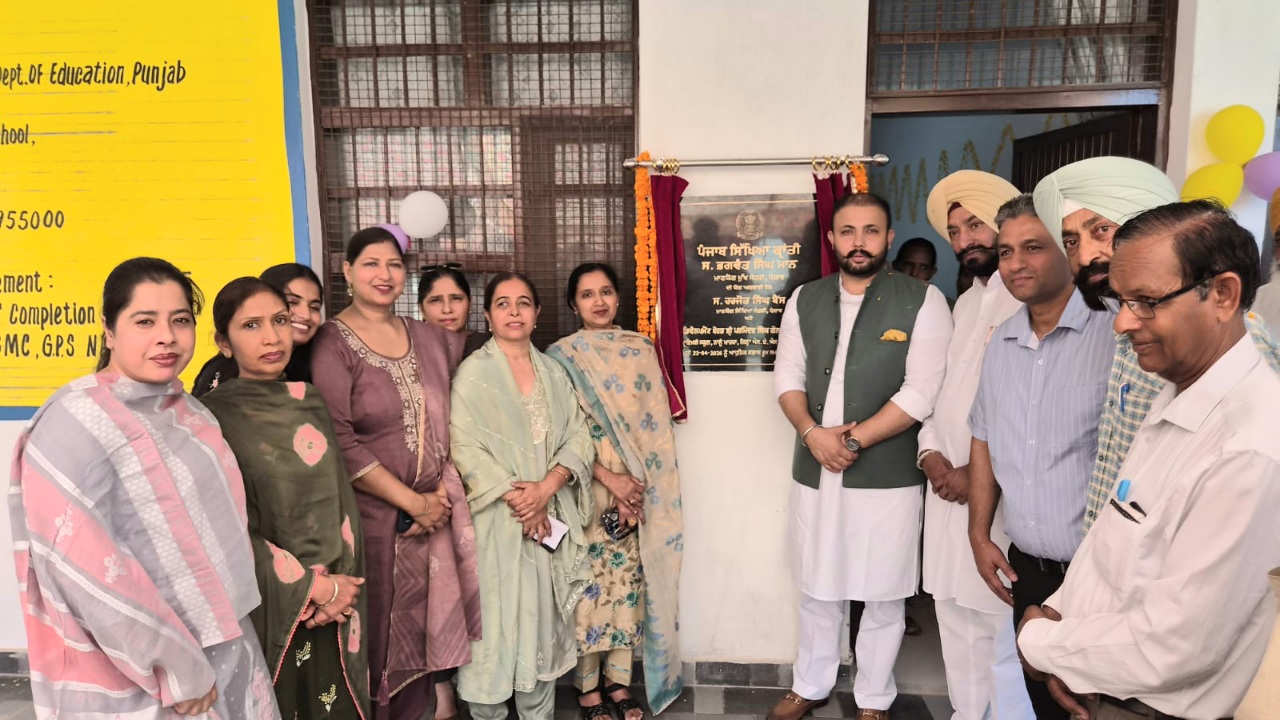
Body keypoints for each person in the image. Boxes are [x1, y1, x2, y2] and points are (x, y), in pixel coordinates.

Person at [1017, 200, 1280, 720]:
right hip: (1104, 683)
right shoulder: (1177, 392)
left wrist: (1040, 642)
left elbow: (1175, 647)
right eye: (1120, 300)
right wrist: (1060, 616)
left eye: (1145, 301)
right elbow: (1115, 543)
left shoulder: (1251, 448)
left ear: (1223, 294)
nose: (1121, 323)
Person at [10, 257, 279, 720]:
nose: (167, 337)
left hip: (226, 645)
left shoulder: (191, 412)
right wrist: (175, 670)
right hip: (143, 677)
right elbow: (86, 571)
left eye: (180, 320)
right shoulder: (76, 422)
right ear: (109, 330)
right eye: (145, 321)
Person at [768, 193, 952, 720]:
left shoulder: (924, 300)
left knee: (884, 591)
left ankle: (874, 697)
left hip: (886, 475)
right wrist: (812, 434)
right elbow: (787, 375)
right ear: (831, 239)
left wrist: (851, 441)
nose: (859, 242)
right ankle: (811, 683)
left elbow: (923, 390)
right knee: (817, 583)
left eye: (871, 231)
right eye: (848, 231)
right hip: (815, 466)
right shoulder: (805, 298)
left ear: (888, 238)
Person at [1031, 156, 1280, 534]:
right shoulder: (1128, 323)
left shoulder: (1234, 339)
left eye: (1101, 230)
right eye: (1071, 241)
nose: (1084, 256)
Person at [310, 227, 481, 720]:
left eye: (393, 265)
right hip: (374, 522)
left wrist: (435, 497)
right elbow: (338, 439)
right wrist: (412, 503)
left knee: (424, 635)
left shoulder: (425, 336)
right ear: (347, 271)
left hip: (435, 515)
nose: (384, 274)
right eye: (371, 263)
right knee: (379, 635)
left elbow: (451, 417)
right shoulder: (332, 343)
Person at [966, 195, 1116, 720]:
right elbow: (983, 438)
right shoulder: (1001, 343)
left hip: (1102, 578)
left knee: (1096, 709)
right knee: (1045, 708)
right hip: (1028, 570)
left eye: (1033, 247)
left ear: (1068, 251)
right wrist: (978, 534)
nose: (1015, 263)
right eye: (1006, 251)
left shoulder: (1117, 334)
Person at [202, 277, 370, 719]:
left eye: (279, 320)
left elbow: (341, 508)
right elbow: (225, 528)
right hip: (274, 600)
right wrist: (310, 587)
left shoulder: (309, 400)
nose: (272, 337)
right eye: (251, 325)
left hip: (338, 601)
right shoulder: (212, 418)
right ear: (224, 342)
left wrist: (341, 589)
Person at [450, 272, 595, 720]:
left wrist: (547, 487)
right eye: (503, 303)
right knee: (493, 623)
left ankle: (538, 713)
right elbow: (463, 445)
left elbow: (578, 435)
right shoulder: (473, 374)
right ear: (487, 315)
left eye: (524, 303)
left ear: (536, 313)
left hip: (548, 513)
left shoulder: (553, 372)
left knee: (540, 621)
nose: (514, 312)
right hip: (497, 521)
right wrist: (522, 501)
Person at [918, 171, 1033, 720]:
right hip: (945, 494)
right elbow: (939, 394)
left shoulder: (1031, 304)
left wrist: (975, 475)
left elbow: (1030, 410)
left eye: (975, 224)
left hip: (999, 502)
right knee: (953, 622)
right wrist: (930, 455)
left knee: (1001, 634)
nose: (965, 240)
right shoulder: (964, 304)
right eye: (955, 231)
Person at [547, 263, 685, 719]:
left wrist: (635, 491)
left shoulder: (640, 350)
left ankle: (619, 683)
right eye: (587, 295)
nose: (599, 302)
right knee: (589, 588)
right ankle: (588, 689)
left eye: (605, 292)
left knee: (627, 587)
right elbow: (557, 432)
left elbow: (655, 430)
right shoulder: (561, 358)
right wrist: (609, 479)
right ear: (573, 304)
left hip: (636, 492)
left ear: (619, 297)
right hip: (585, 488)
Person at [194, 263, 324, 396]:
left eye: (314, 307)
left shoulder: (319, 363)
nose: (306, 315)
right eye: (292, 302)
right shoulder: (220, 374)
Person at [418, 262, 490, 359]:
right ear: (422, 309)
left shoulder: (489, 347)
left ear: (470, 303)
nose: (447, 309)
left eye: (456, 298)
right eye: (436, 300)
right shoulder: (411, 352)